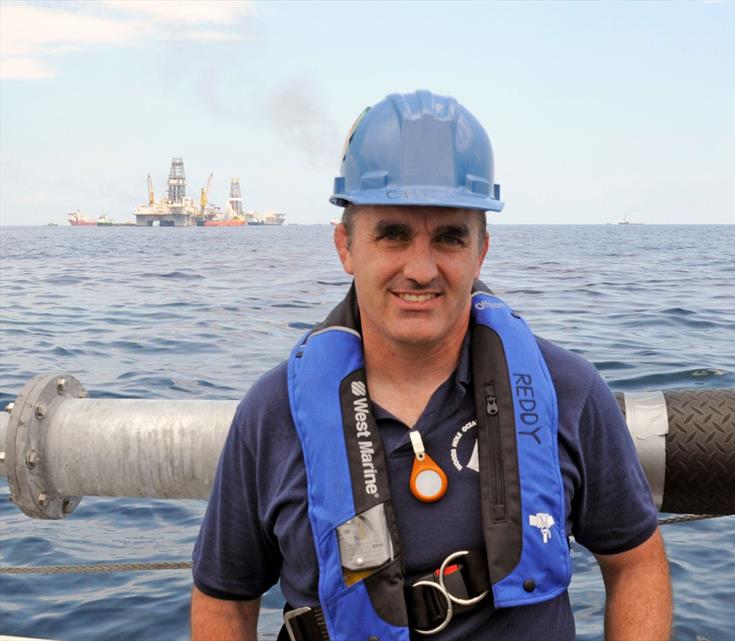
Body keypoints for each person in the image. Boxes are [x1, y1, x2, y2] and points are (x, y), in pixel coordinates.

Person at [191, 90, 672, 641]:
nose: (420, 270)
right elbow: (224, 602)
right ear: (345, 246)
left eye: (448, 237)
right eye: (393, 234)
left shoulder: (568, 391)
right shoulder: (272, 414)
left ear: (481, 250)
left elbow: (636, 563)